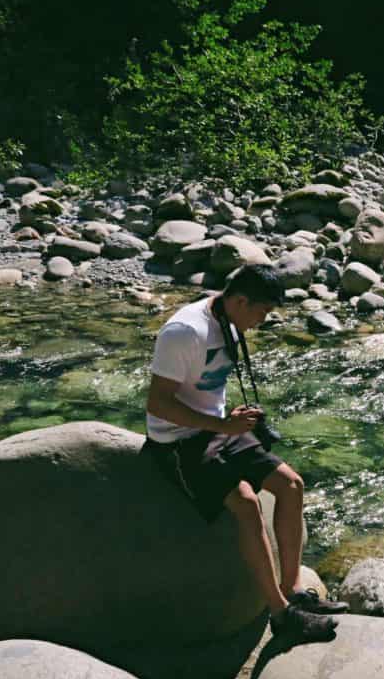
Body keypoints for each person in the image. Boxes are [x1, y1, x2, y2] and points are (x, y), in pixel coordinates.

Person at [144, 264, 348, 644]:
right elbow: (157, 404)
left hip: (218, 428)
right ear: (240, 300)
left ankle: (294, 592)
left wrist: (230, 423)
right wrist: (222, 427)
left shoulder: (228, 319)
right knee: (247, 502)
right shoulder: (184, 332)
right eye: (262, 312)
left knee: (291, 485)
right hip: (176, 441)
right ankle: (281, 615)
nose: (262, 320)